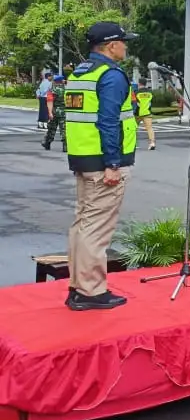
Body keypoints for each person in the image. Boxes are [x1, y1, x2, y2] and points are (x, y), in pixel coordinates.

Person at [65, 22, 139, 311]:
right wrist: (113, 164)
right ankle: (91, 291)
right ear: (111, 46)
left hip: (83, 158)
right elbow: (108, 122)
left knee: (82, 224)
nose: (125, 46)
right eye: (123, 41)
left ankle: (77, 286)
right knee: (96, 229)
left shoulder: (80, 73)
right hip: (103, 164)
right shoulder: (111, 76)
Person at [43, 74, 68, 152]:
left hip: (54, 112)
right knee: (64, 129)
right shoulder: (66, 88)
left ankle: (47, 143)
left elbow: (50, 101)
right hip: (64, 112)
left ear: (54, 81)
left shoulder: (52, 89)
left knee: (51, 128)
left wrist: (50, 113)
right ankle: (65, 146)